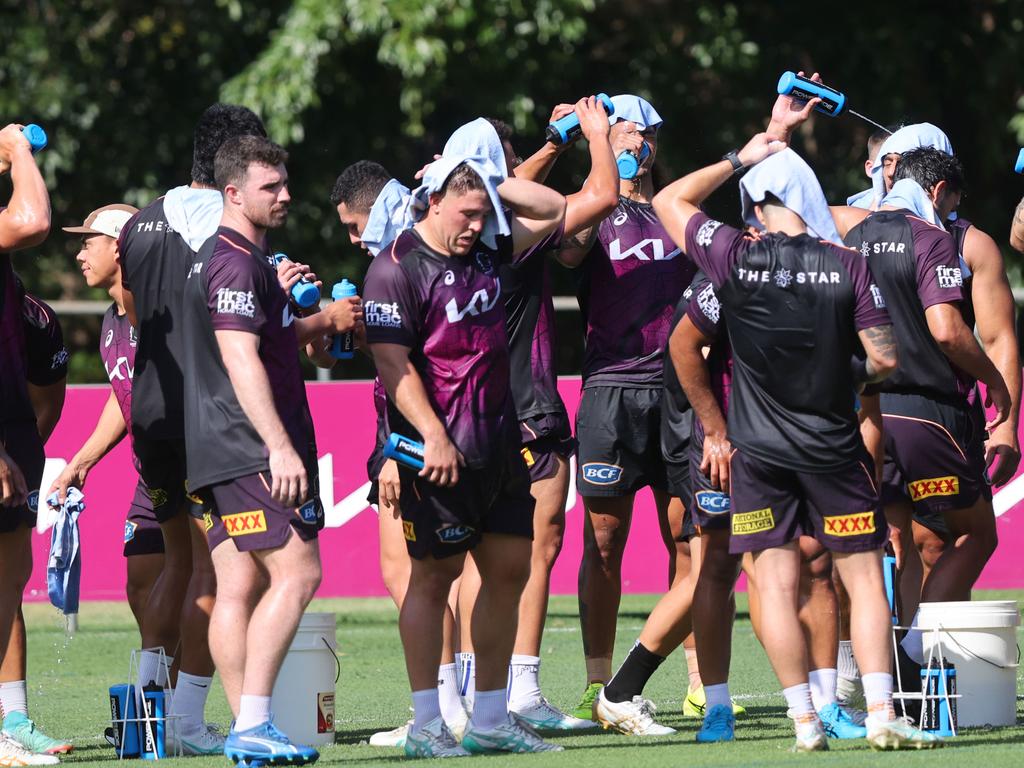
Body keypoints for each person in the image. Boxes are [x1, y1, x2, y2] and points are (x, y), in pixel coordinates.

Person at [654, 130, 944, 751]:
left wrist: (740, 157)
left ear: (757, 204)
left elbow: (671, 201)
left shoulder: (733, 255)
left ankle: (804, 721)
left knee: (775, 584)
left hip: (757, 452)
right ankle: (880, 713)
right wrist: (846, 379)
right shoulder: (848, 264)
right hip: (833, 447)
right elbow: (886, 362)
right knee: (863, 578)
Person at [364, 154, 565, 757]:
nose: (478, 224)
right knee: (433, 580)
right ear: (432, 202)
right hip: (439, 454)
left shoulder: (488, 252)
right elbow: (392, 365)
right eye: (467, 213)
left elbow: (556, 210)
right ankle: (426, 725)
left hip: (500, 448)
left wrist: (490, 181)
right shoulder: (394, 268)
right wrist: (432, 436)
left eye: (485, 213)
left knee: (508, 572)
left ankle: (490, 719)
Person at [181, 134, 359, 765]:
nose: (285, 195)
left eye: (285, 182)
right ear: (232, 193)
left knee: (237, 584)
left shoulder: (223, 259)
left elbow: (264, 339)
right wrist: (279, 447)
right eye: (270, 187)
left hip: (210, 447)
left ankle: (246, 726)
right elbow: (238, 354)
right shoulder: (234, 261)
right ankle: (253, 722)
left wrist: (312, 320)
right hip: (247, 446)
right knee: (301, 572)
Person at [445, 104, 619, 731]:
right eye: (510, 162)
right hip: (527, 413)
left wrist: (549, 145)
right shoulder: (501, 238)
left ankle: (468, 695)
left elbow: (514, 188)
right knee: (534, 553)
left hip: (471, 418)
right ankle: (516, 691)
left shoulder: (440, 234)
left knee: (474, 563)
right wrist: (593, 136)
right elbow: (594, 198)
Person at [117, 105, 270, 747]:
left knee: (175, 562)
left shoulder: (137, 223)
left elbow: (127, 307)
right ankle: (184, 720)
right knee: (227, 571)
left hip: (149, 410)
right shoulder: (235, 228)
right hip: (207, 417)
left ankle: (143, 709)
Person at [549, 95, 697, 719]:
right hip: (609, 391)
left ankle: (698, 681)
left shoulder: (677, 210)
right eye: (623, 132)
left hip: (681, 393)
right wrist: (597, 155)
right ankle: (597, 681)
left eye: (644, 133)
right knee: (603, 541)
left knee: (687, 540)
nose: (637, 142)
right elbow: (568, 249)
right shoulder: (594, 208)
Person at [844, 149, 1012, 672]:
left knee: (879, 543)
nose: (953, 213)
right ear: (937, 191)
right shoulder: (930, 236)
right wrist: (994, 382)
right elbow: (946, 329)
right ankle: (913, 653)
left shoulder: (853, 238)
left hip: (862, 414)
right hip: (925, 417)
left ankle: (861, 676)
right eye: (953, 201)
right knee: (977, 533)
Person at [330, 160, 470, 746]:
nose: (354, 239)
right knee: (446, 576)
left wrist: (395, 451)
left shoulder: (397, 262)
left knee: (414, 575)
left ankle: (441, 711)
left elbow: (405, 369)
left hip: (416, 436)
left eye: (355, 224)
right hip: (455, 424)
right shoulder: (436, 252)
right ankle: (462, 704)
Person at [0, 121, 61, 767]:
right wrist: (18, 147)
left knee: (8, 581)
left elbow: (52, 384)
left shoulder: (26, 302)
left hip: (12, 438)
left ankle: (10, 721)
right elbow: (35, 219)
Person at [0, 283, 70, 759]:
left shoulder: (34, 317)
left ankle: (14, 719)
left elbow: (48, 400)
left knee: (7, 585)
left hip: (15, 453)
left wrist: (19, 457)